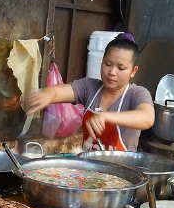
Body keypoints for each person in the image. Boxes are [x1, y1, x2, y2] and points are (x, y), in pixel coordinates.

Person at [26, 33, 154, 151]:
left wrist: (105, 116)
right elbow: (57, 92)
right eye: (108, 64)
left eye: (121, 68)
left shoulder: (137, 94)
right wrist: (47, 94)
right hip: (89, 168)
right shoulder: (89, 87)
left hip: (121, 172)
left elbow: (147, 118)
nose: (112, 72)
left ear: (133, 71)